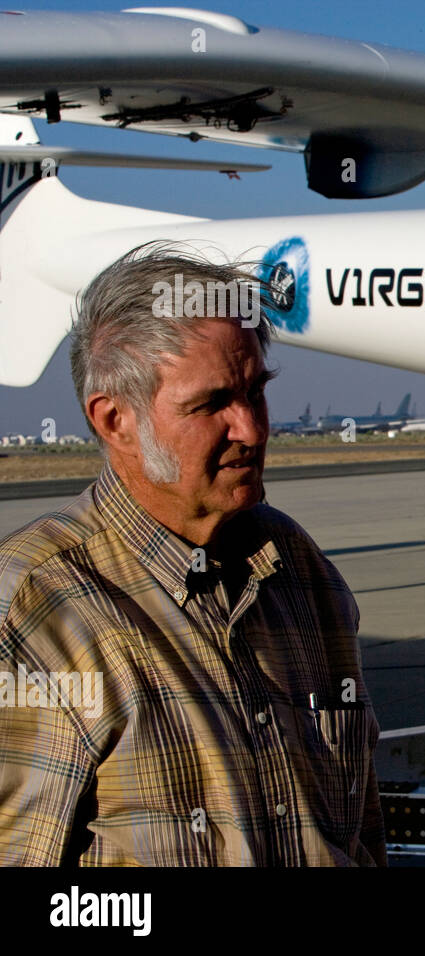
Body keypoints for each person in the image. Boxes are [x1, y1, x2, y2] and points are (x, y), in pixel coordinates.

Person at [0, 243, 385, 865]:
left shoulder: (297, 568)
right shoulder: (39, 606)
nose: (252, 430)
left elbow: (362, 826)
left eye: (255, 392)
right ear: (114, 419)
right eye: (210, 406)